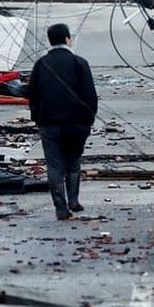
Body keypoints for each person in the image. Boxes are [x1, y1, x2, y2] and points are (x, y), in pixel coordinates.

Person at [26, 23, 98, 220]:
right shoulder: (79, 63)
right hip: (77, 124)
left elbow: (32, 94)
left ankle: (60, 207)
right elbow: (90, 96)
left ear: (50, 40)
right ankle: (74, 200)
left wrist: (38, 118)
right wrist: (88, 120)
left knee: (55, 165)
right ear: (68, 39)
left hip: (49, 124)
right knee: (73, 161)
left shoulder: (41, 64)